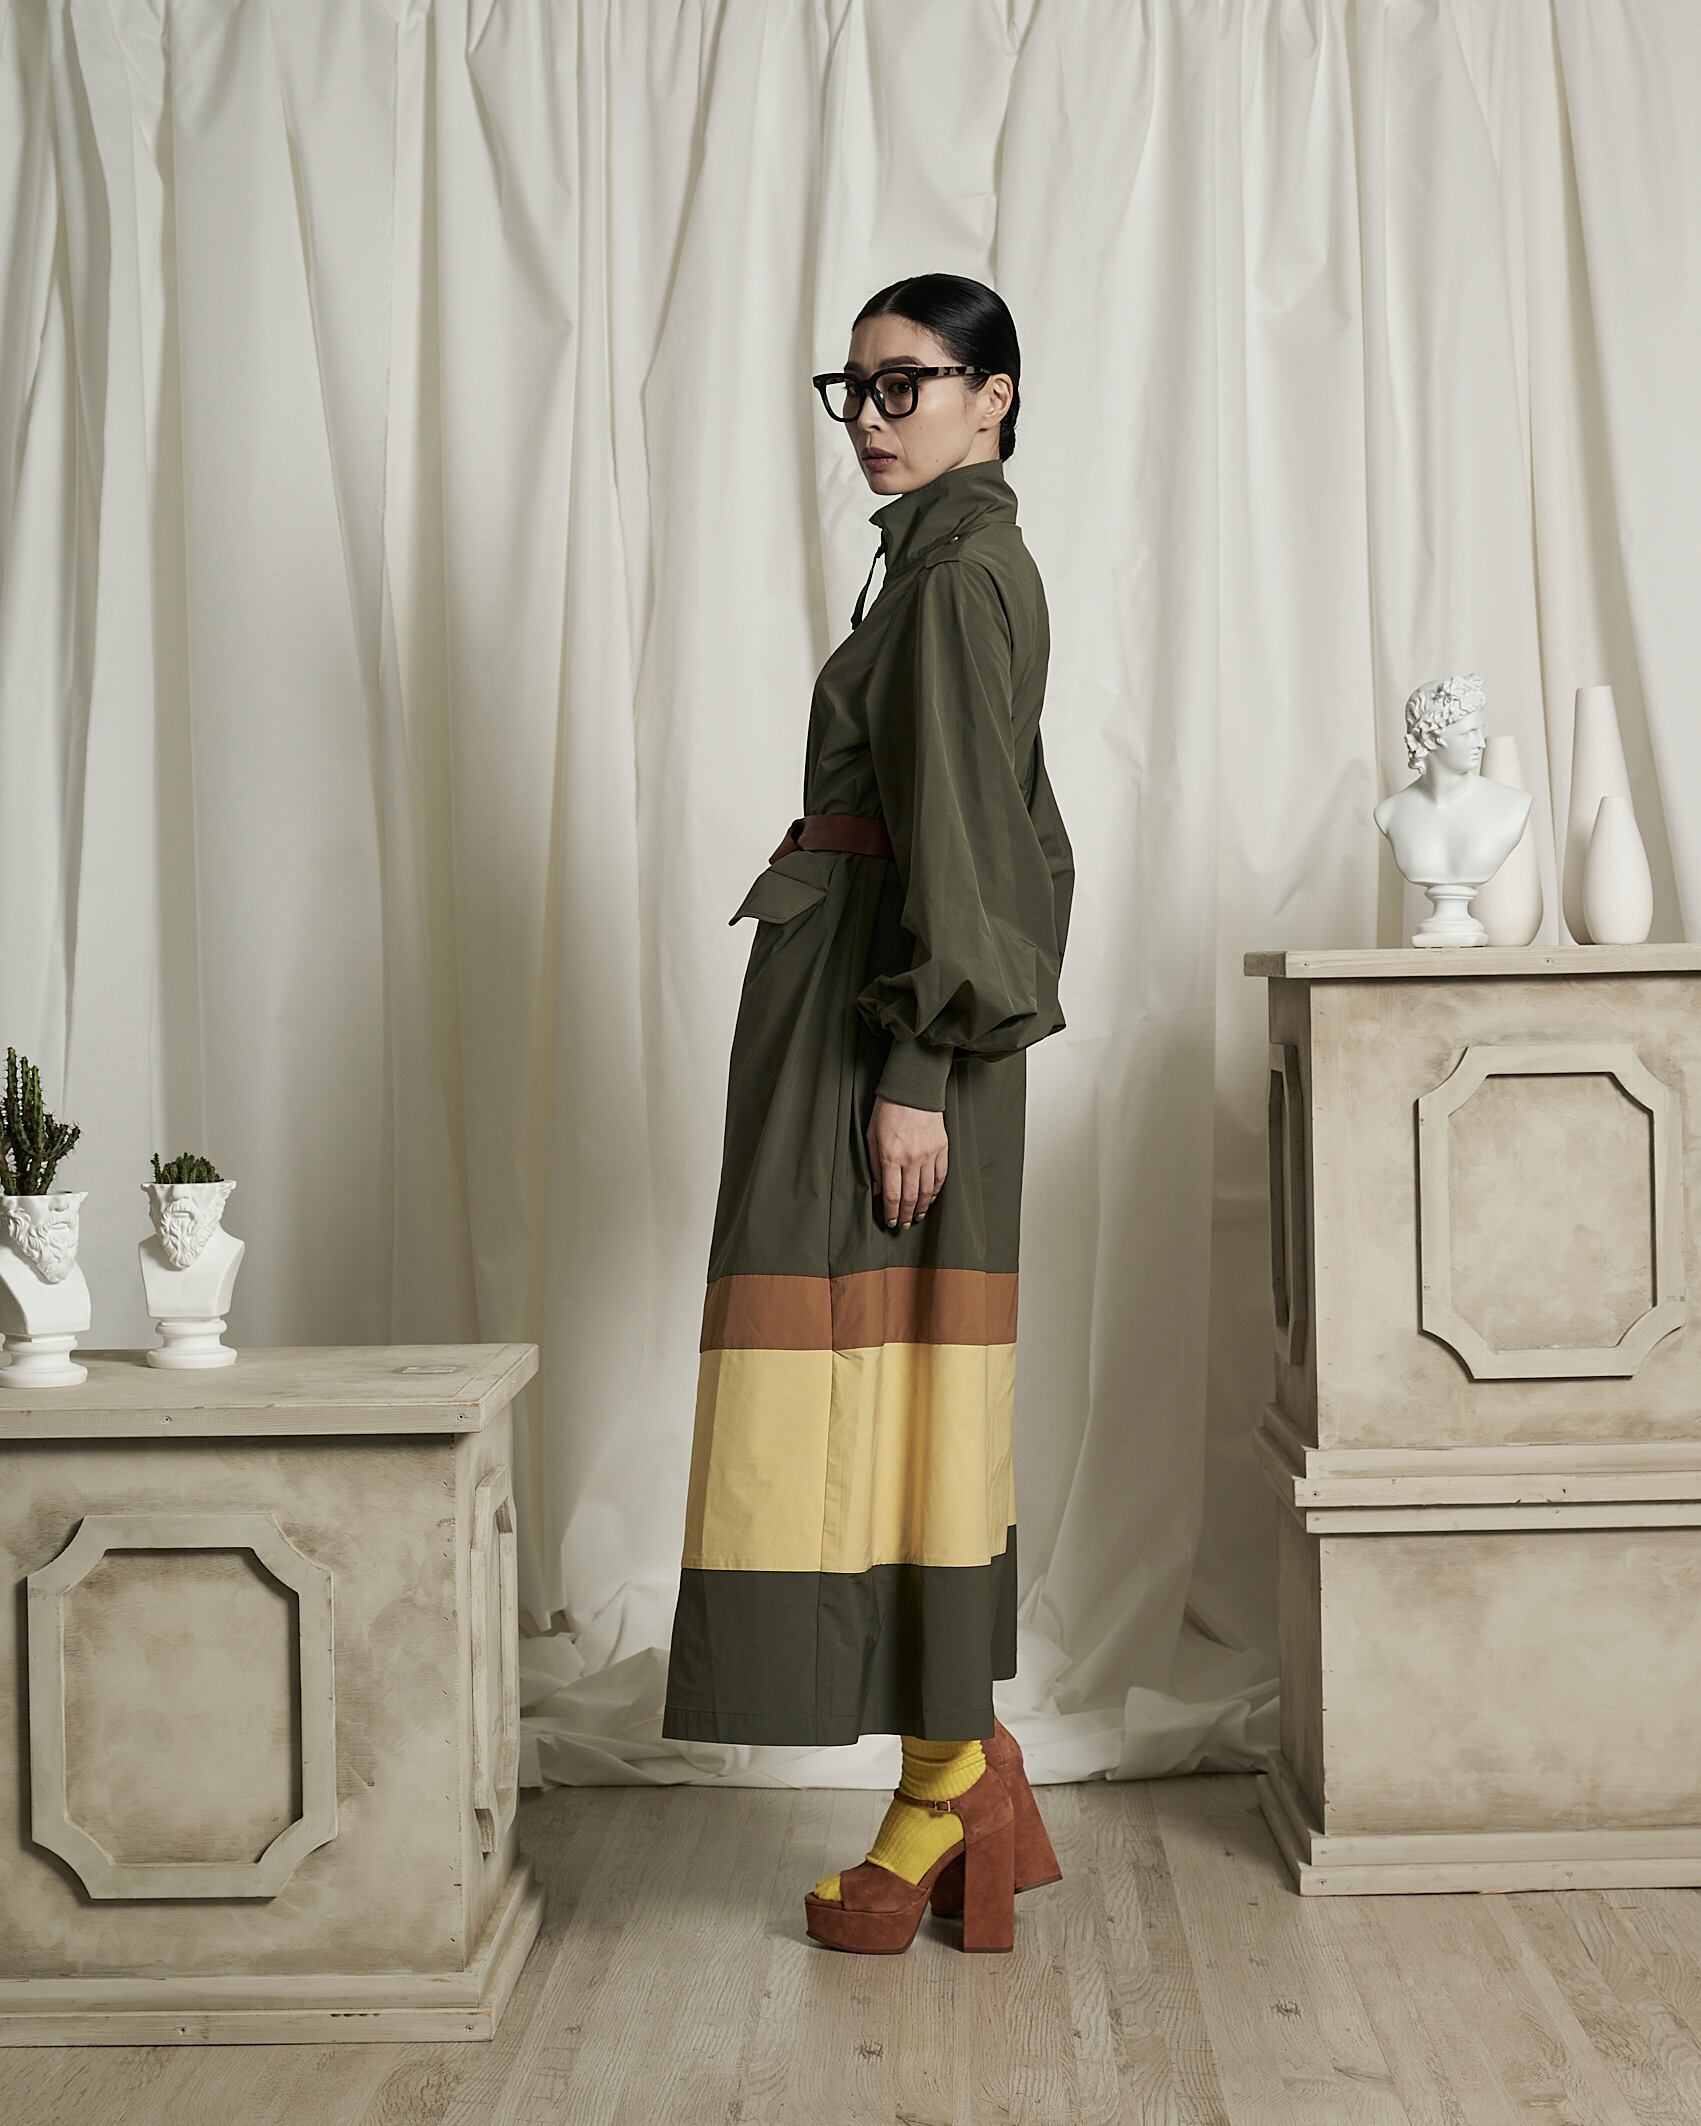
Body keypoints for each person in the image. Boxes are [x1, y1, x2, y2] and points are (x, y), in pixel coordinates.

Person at [660, 272, 1075, 1955]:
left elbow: (977, 848)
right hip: (865, 1015)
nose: (870, 418)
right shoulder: (933, 567)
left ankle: (946, 1784)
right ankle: (954, 1771)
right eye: (853, 388)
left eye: (906, 384)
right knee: (884, 1389)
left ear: (993, 397)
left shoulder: (959, 579)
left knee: (871, 1388)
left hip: (889, 1037)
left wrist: (916, 1073)